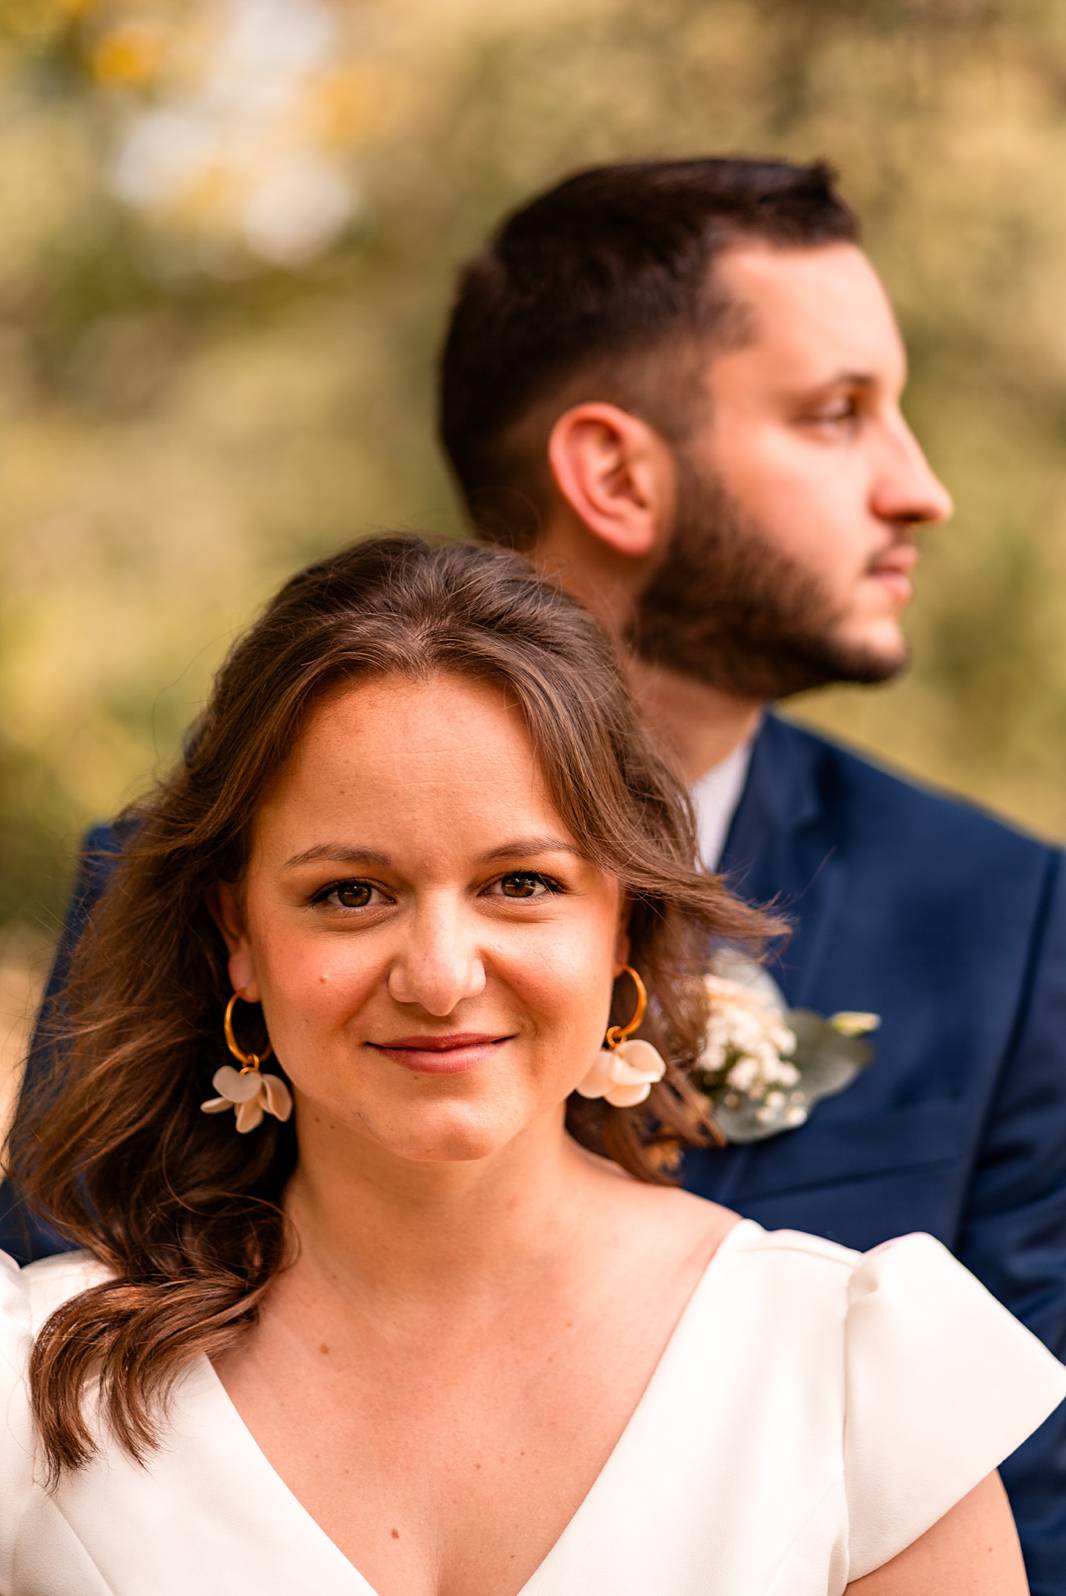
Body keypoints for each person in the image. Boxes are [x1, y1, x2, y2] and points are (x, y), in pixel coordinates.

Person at [1, 535, 1063, 1595]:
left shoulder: (848, 1378)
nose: (438, 974)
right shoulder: (33, 1383)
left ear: (621, 919)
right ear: (238, 932)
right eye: (350, 893)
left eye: (518, 883)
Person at [436, 157, 1066, 1593]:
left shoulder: (1002, 919)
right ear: (611, 474)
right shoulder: (201, 891)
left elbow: (1040, 1499)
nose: (921, 490)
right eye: (835, 415)